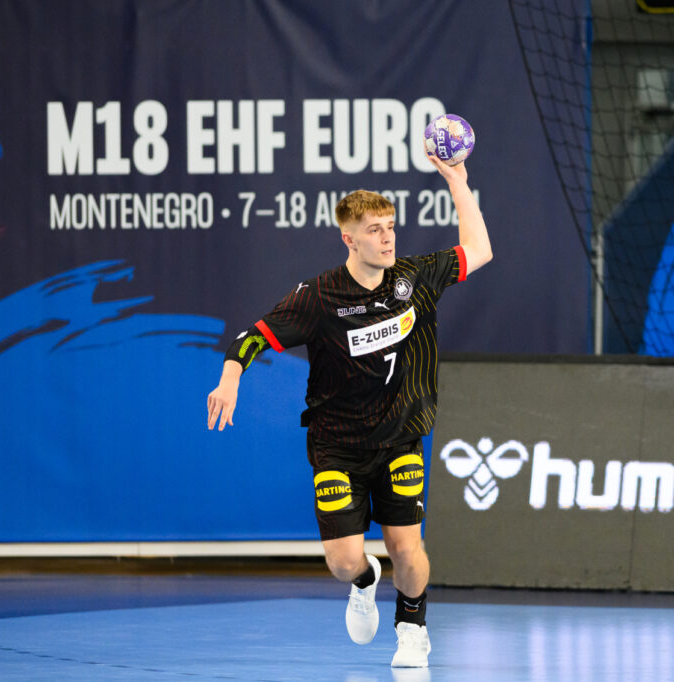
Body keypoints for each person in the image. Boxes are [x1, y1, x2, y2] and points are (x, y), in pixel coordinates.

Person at [206, 150, 492, 668]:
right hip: (336, 445)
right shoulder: (318, 297)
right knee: (342, 562)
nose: (387, 238)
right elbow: (253, 336)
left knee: (406, 546)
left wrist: (458, 181)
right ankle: (364, 580)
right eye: (374, 230)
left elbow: (479, 250)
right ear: (349, 239)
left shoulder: (414, 278)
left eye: (390, 227)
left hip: (400, 437)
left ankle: (413, 628)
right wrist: (230, 378)